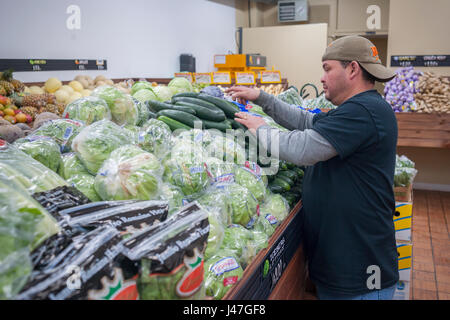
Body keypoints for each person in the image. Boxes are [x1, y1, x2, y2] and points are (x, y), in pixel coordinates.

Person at [226, 35, 399, 300]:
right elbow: (307, 121)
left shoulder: (364, 112)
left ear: (352, 69)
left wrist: (260, 129)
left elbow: (302, 148)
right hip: (343, 263)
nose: (321, 77)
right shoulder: (356, 109)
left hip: (362, 270)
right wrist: (262, 98)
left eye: (327, 68)